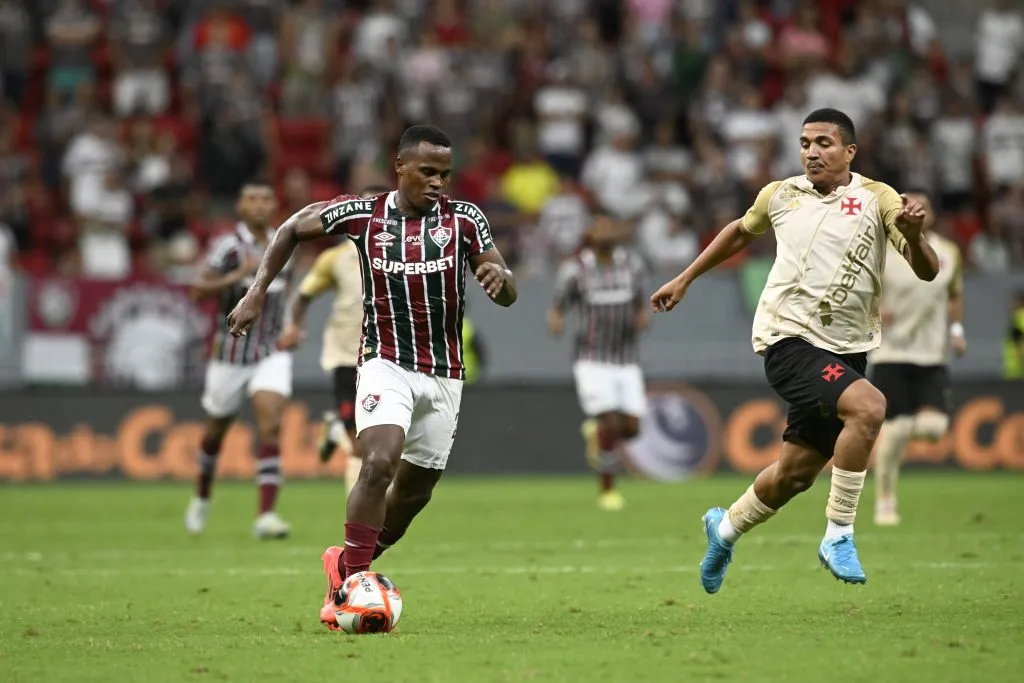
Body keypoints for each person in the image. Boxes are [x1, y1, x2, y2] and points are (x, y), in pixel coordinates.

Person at [226, 125, 517, 630]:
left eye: (445, 174)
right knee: (378, 459)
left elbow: (504, 285)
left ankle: (345, 565)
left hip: (445, 373)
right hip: (385, 360)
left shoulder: (465, 220)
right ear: (400, 166)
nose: (437, 183)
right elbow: (294, 226)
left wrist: (502, 282)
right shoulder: (365, 214)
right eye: (427, 172)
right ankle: (352, 587)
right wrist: (257, 292)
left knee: (414, 493)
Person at [650, 108, 939, 591]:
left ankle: (723, 529)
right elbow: (741, 231)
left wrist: (912, 234)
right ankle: (839, 534)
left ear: (849, 152)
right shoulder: (781, 194)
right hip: (788, 339)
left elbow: (926, 270)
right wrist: (686, 278)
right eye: (805, 143)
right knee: (869, 407)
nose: (811, 152)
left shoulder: (876, 198)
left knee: (794, 474)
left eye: (824, 143)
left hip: (847, 348)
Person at [185, 181, 295, 539]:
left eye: (266, 199)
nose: (260, 205)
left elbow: (288, 291)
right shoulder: (229, 247)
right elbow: (198, 289)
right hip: (231, 354)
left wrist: (293, 325)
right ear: (240, 206)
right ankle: (202, 494)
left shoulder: (286, 240)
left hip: (271, 351)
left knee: (272, 424)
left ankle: (266, 516)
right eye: (252, 199)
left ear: (274, 205)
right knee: (216, 431)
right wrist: (236, 275)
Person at [279, 184, 389, 495]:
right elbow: (303, 295)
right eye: (364, 206)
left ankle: (335, 430)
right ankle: (361, 519)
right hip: (346, 354)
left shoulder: (404, 251)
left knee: (382, 435)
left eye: (376, 206)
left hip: (387, 355)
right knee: (359, 441)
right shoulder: (335, 258)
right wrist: (293, 327)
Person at [869, 190, 966, 526]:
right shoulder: (881, 250)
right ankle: (884, 502)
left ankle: (894, 431)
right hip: (890, 352)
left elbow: (954, 295)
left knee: (933, 428)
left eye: (921, 207)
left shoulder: (949, 253)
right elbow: (861, 297)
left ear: (931, 214)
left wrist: (956, 331)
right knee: (896, 430)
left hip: (931, 353)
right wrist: (877, 314)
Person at [547, 211, 648, 511]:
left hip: (626, 358)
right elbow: (558, 303)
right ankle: (608, 490)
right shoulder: (575, 270)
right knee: (611, 422)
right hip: (591, 358)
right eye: (598, 226)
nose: (604, 230)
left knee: (631, 429)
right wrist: (556, 320)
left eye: (609, 225)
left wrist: (642, 316)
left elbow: (640, 300)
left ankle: (595, 431)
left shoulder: (632, 265)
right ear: (589, 235)